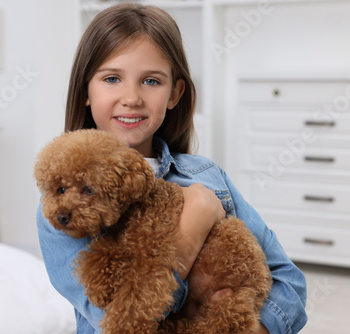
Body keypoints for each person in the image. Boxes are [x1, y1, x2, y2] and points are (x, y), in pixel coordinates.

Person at [37, 3, 307, 334]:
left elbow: (288, 280)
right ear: (85, 93)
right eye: (111, 78)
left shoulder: (207, 176)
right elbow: (115, 321)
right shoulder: (60, 212)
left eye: (151, 80)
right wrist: (194, 223)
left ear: (174, 94)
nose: (131, 97)